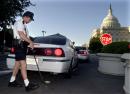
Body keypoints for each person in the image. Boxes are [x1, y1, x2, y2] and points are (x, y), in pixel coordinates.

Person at [8, 11, 39, 91]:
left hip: (22, 46)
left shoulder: (24, 25)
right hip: (19, 46)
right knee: (23, 64)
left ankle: (12, 81)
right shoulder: (19, 23)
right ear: (26, 17)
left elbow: (24, 37)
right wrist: (31, 42)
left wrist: (29, 44)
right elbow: (21, 35)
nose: (30, 21)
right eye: (30, 19)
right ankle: (27, 84)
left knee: (17, 64)